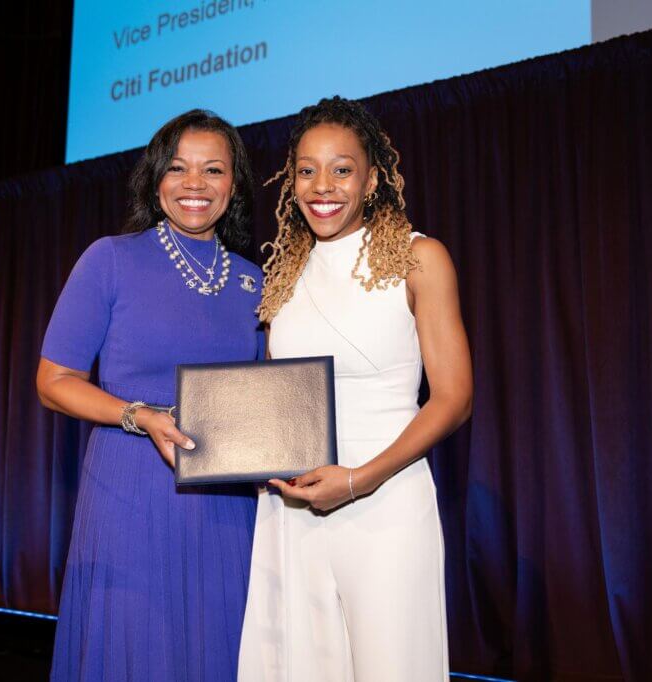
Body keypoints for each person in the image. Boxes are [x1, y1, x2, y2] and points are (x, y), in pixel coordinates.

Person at [238, 96, 473, 681]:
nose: (324, 186)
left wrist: (357, 479)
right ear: (291, 182)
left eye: (342, 169)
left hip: (385, 502)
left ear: (372, 178)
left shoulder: (420, 259)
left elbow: (453, 398)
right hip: (293, 513)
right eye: (307, 170)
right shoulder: (282, 278)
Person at [37, 109, 263, 682]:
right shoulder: (110, 258)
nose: (195, 184)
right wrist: (140, 416)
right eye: (179, 168)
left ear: (233, 183)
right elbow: (54, 382)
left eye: (213, 169)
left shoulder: (254, 280)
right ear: (155, 177)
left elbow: (267, 399)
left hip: (228, 504)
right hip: (130, 491)